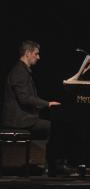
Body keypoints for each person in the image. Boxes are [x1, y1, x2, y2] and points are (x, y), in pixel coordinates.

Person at [2, 41, 70, 175]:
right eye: (36, 54)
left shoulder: (22, 71)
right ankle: (54, 166)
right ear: (27, 53)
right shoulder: (19, 72)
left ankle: (51, 163)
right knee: (54, 127)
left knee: (54, 124)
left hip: (23, 117)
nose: (38, 57)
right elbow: (25, 99)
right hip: (18, 120)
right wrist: (47, 103)